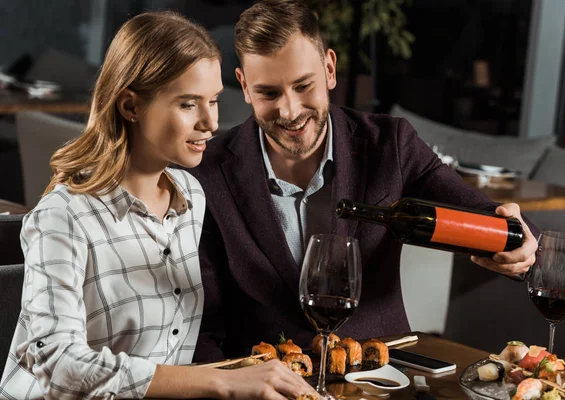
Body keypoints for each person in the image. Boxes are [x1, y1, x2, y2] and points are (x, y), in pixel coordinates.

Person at [189, 0, 539, 361]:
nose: (289, 111)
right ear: (245, 87)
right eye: (268, 93)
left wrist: (517, 240)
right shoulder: (207, 171)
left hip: (379, 378)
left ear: (329, 68)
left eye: (303, 85)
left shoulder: (391, 144)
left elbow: (488, 216)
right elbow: (201, 324)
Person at [0, 11, 317, 400]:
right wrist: (220, 383)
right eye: (188, 104)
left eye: (214, 101)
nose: (210, 122)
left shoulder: (192, 198)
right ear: (130, 106)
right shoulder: (64, 216)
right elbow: (56, 360)